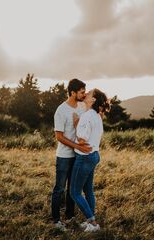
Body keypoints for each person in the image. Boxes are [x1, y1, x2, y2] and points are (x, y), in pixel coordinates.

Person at [51, 79, 92, 231]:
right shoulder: (61, 110)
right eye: (81, 92)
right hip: (63, 156)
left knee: (73, 189)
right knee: (59, 189)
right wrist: (77, 145)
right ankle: (56, 221)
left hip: (77, 156)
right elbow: (59, 137)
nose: (84, 94)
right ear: (73, 92)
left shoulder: (82, 106)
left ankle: (70, 217)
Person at [70, 88, 110, 232]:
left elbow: (82, 138)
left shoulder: (87, 116)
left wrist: (76, 125)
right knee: (88, 190)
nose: (86, 94)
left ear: (92, 100)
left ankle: (92, 223)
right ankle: (90, 221)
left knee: (74, 192)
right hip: (94, 155)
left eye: (89, 93)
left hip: (85, 157)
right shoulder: (97, 115)